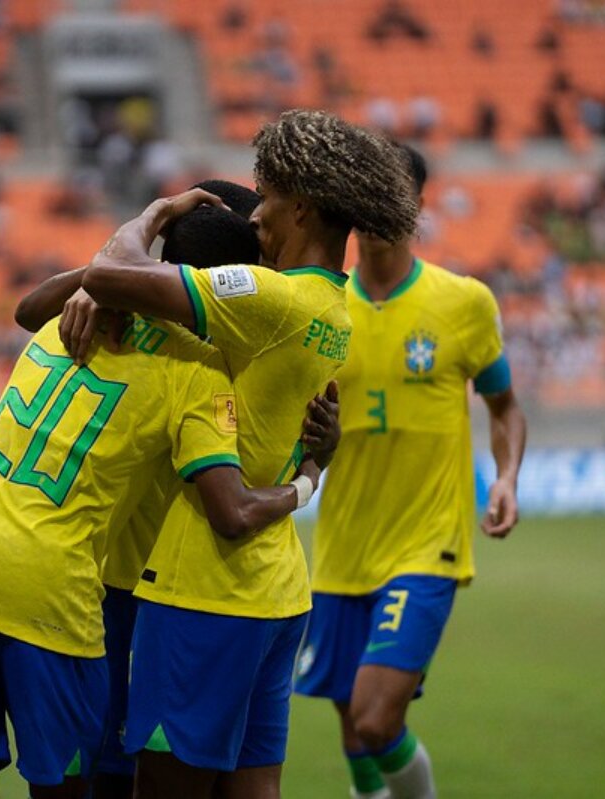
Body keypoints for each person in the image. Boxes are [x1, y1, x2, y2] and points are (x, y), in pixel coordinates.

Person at [51, 110, 420, 799]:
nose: (257, 219)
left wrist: (156, 215)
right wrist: (311, 473)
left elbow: (110, 273)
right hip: (276, 590)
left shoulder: (269, 298)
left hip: (200, 592)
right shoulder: (336, 310)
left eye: (269, 198)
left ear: (302, 207)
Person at [0, 264, 339, 798]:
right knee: (86, 784)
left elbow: (27, 306)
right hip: (69, 586)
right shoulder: (195, 368)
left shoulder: (66, 318)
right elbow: (233, 509)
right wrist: (311, 475)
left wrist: (106, 269)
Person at [17, 180, 286, 799]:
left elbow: (29, 311)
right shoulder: (212, 355)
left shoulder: (125, 317)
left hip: (115, 586)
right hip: (155, 595)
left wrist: (100, 277)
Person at [293, 144, 528, 799]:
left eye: (387, 193)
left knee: (375, 716)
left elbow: (505, 406)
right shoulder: (321, 308)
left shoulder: (463, 303)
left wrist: (505, 476)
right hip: (342, 547)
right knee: (352, 726)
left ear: (415, 204)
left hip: (427, 543)